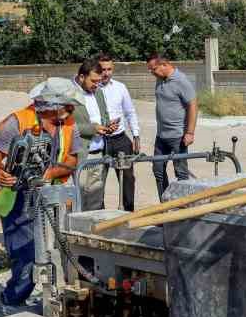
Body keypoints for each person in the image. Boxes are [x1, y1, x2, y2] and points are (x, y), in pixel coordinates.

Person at [0, 77, 79, 315]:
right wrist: (0, 171)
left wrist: (51, 173)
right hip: (16, 196)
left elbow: (73, 159)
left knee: (56, 249)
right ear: (55, 105)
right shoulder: (18, 121)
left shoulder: (68, 124)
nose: (72, 109)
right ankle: (12, 299)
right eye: (68, 105)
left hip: (48, 194)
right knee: (26, 254)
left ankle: (48, 297)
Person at [146, 50, 197, 198]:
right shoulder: (160, 79)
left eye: (153, 69)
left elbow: (193, 105)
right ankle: (165, 204)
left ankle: (183, 207)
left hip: (178, 136)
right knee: (158, 171)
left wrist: (190, 132)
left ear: (164, 64)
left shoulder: (181, 81)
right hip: (161, 136)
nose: (151, 73)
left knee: (181, 173)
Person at [92, 53, 139, 211]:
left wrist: (136, 135)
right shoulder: (91, 89)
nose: (106, 73)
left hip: (120, 139)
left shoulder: (120, 88)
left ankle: (128, 212)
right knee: (98, 180)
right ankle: (99, 212)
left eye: (109, 69)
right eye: (102, 69)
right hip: (100, 140)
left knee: (128, 179)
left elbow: (130, 112)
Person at [72, 58, 109, 212]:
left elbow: (104, 115)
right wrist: (92, 129)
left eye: (99, 81)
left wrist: (108, 125)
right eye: (93, 81)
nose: (97, 85)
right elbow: (67, 127)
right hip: (81, 156)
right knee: (78, 199)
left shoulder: (98, 92)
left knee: (95, 199)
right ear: (82, 77)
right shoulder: (69, 95)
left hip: (99, 155)